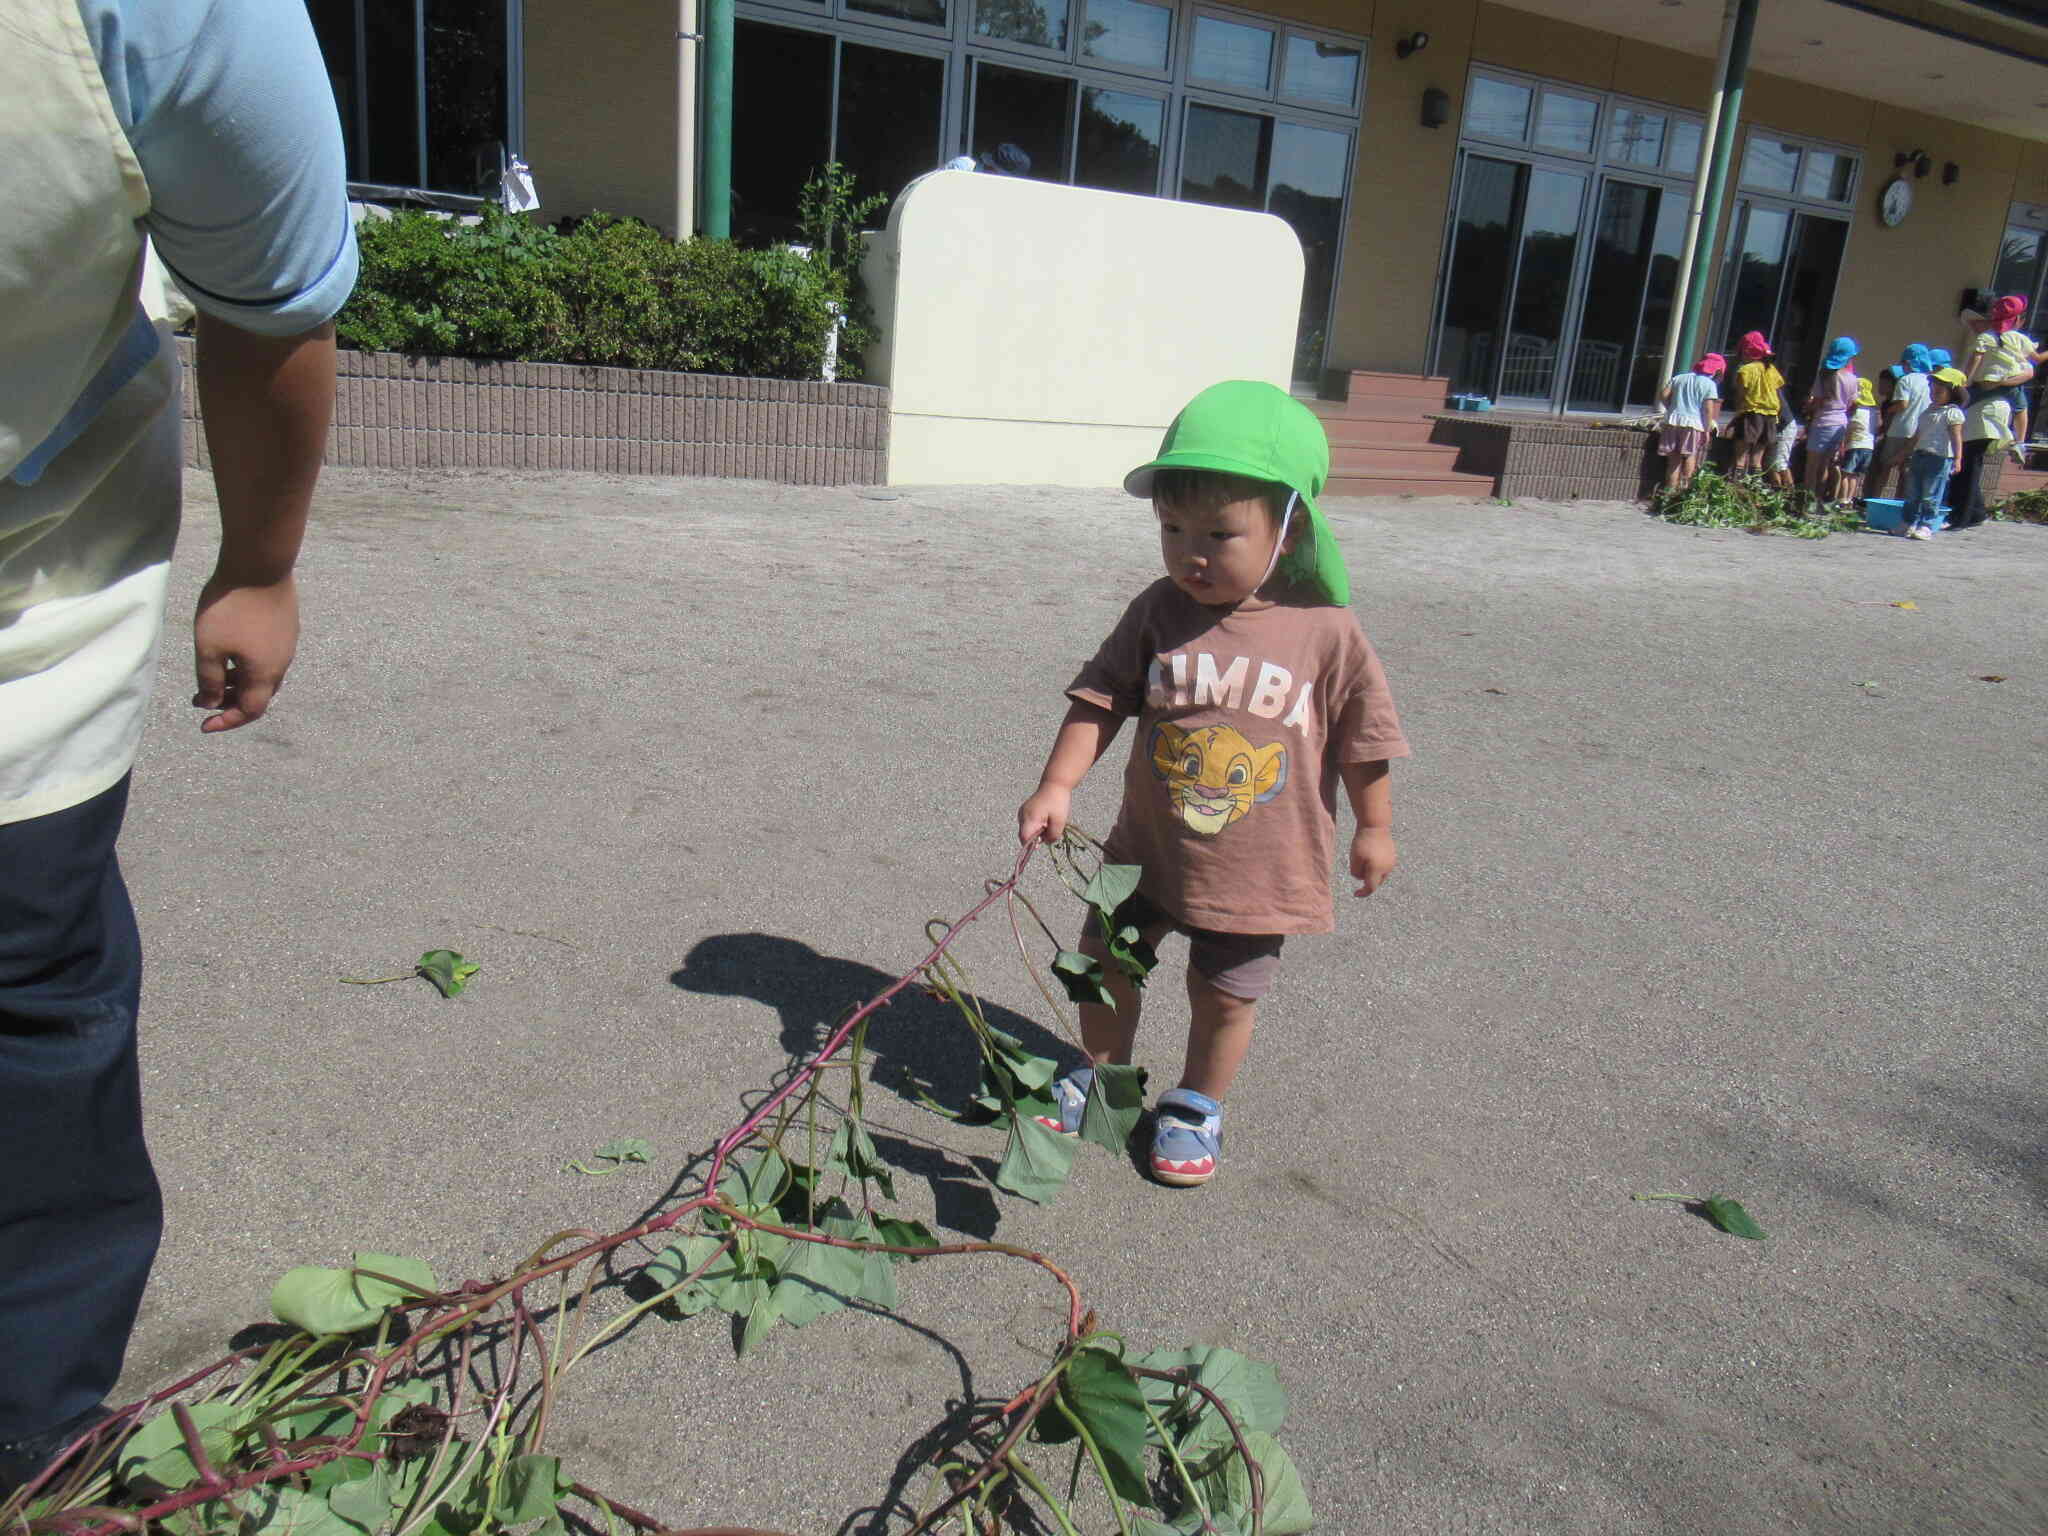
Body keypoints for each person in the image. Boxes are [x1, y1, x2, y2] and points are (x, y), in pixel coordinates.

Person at [0, 0, 355, 1494]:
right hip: (25, 640)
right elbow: (267, 305)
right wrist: (260, 566)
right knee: (37, 1023)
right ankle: (29, 1442)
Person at [1014, 381, 1408, 1187]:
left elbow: (1365, 738)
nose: (1191, 552)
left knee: (1225, 994)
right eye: (1171, 529)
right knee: (1105, 961)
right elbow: (1101, 698)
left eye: (1221, 534)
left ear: (1289, 527)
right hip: (1145, 849)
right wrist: (1058, 785)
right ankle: (1101, 1072)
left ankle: (1197, 1102)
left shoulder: (1327, 630)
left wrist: (1375, 826)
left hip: (1260, 869)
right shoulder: (1160, 611)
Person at [1963, 295, 2036, 463]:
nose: (1974, 325)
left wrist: (1968, 380)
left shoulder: (1997, 339)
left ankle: (2013, 442)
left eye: (1979, 322)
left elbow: (2029, 371)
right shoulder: (1993, 339)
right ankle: (2017, 442)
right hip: (1988, 387)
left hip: (1991, 389)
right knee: (2020, 408)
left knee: (2019, 407)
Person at [1899, 367, 1967, 540]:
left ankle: (1926, 525)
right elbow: (1917, 436)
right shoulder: (1927, 411)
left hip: (1939, 458)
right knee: (1912, 493)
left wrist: (1958, 459)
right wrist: (1904, 454)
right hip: (1919, 455)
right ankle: (1907, 523)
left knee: (1931, 495)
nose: (1934, 393)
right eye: (1932, 389)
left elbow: (1956, 437)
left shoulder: (1953, 413)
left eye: (1940, 390)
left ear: (1953, 392)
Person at [1802, 336, 1860, 509]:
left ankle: (1807, 501)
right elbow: (1853, 404)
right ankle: (1820, 500)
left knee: (1812, 466)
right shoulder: (1852, 378)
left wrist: (1808, 406)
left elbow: (1818, 402)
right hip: (1840, 423)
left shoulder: (1825, 376)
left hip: (1823, 422)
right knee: (1826, 465)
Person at [1871, 344, 1934, 500]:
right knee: (1906, 471)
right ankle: (1900, 504)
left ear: (1908, 362)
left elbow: (1902, 404)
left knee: (1885, 467)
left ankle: (1876, 500)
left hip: (1900, 429)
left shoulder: (1905, 380)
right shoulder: (1930, 381)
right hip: (1918, 432)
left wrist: (1887, 411)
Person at [1656, 352, 1724, 493]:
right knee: (1689, 456)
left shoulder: (1679, 377)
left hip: (1672, 421)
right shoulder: (1709, 384)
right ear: (1716, 370)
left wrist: (1671, 407)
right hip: (1693, 423)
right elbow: (1708, 409)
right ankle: (1684, 491)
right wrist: (1706, 430)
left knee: (1673, 460)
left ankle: (1669, 491)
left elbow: (1663, 395)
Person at [1727, 331, 1785, 477]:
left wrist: (1737, 416)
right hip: (1771, 416)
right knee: (1756, 460)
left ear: (1745, 352)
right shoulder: (1772, 369)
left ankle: (1735, 485)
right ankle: (1755, 490)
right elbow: (1778, 393)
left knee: (1740, 456)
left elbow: (1741, 395)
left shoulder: (1745, 370)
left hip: (1751, 413)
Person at [1837, 373, 1880, 508]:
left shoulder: (1856, 411)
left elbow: (1850, 429)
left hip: (1855, 445)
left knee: (1845, 474)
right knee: (1855, 476)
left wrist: (1843, 445)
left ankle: (1842, 500)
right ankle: (1850, 499)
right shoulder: (1873, 411)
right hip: (1869, 447)